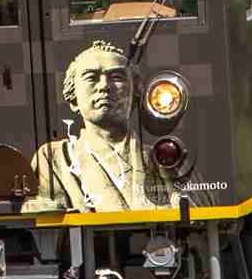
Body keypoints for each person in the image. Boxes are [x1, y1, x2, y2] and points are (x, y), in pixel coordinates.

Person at [22, 42, 176, 214]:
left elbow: (191, 210)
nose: (104, 86)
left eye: (117, 77)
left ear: (135, 94)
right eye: (91, 77)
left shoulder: (165, 159)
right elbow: (41, 213)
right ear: (73, 98)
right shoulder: (54, 157)